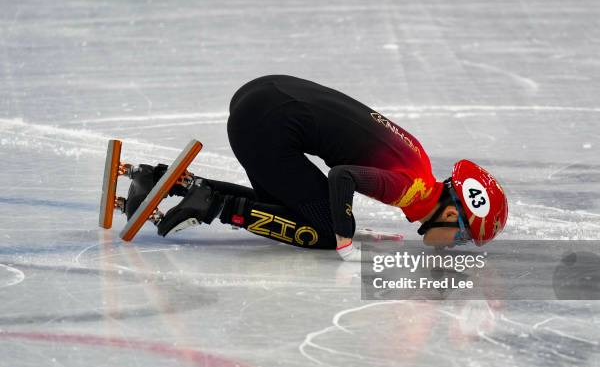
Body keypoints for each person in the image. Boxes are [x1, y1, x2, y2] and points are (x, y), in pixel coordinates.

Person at [124, 75, 508, 261]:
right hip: (267, 121)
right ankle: (212, 205)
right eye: (461, 237)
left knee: (291, 204)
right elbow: (342, 177)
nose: (454, 245)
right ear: (453, 212)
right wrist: (343, 233)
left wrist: (351, 223)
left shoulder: (418, 165)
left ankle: (156, 180)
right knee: (322, 231)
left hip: (264, 97)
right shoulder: (410, 187)